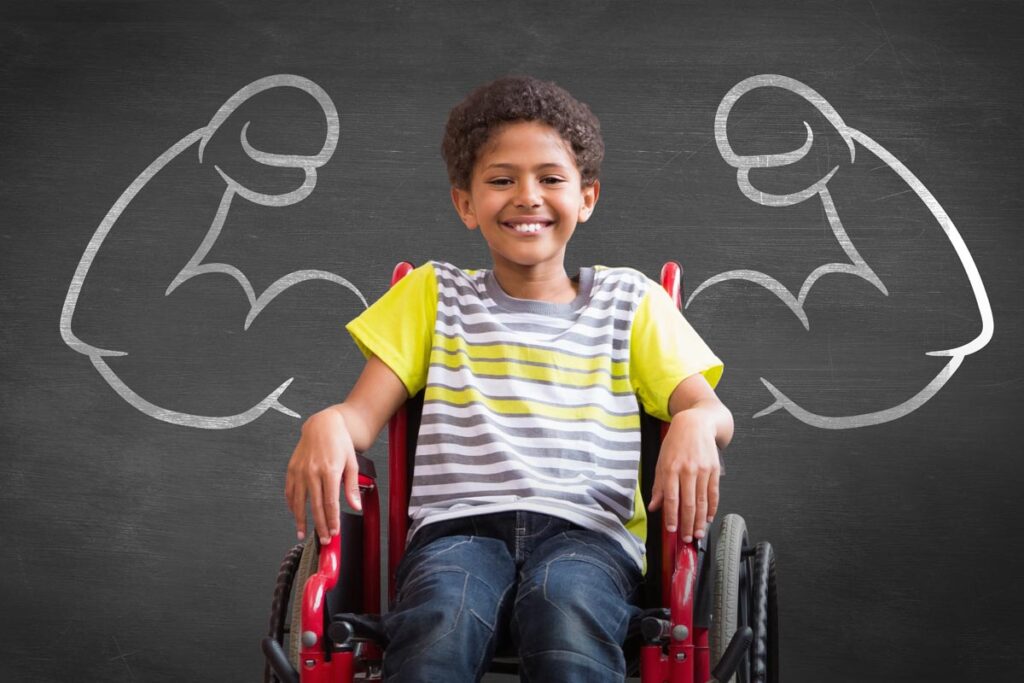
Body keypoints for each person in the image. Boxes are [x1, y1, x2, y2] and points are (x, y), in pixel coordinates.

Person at [285, 74, 734, 682]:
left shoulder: (631, 301)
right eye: (502, 180)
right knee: (442, 617)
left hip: (588, 537)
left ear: (586, 197)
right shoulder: (434, 296)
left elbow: (711, 411)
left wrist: (693, 420)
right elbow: (358, 419)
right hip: (457, 531)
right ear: (466, 204)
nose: (527, 196)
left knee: (566, 608)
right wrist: (324, 423)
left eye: (550, 178)